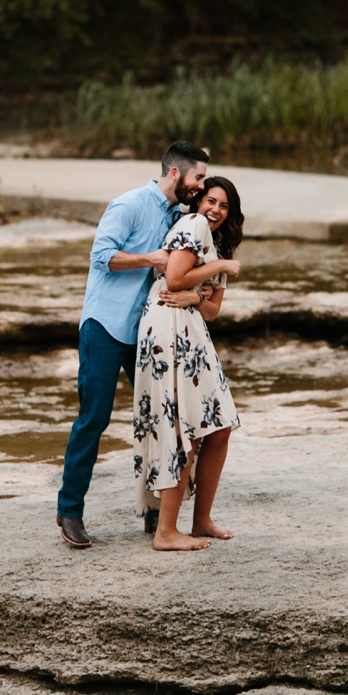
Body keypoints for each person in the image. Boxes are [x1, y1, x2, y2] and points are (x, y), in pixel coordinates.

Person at [56, 141, 210, 549]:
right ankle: (69, 511)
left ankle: (156, 512)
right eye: (198, 177)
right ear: (175, 174)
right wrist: (152, 259)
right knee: (94, 418)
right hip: (105, 327)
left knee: (163, 418)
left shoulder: (181, 217)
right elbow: (100, 255)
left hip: (147, 334)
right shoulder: (128, 204)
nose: (201, 185)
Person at [133, 175, 245, 551]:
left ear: (231, 214)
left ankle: (201, 520)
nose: (215, 209)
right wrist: (221, 269)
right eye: (210, 200)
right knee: (185, 428)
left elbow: (212, 310)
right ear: (199, 203)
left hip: (193, 327)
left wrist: (197, 298)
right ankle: (165, 532)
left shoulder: (217, 243)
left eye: (224, 205)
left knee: (220, 426)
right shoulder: (194, 225)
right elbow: (175, 276)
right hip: (167, 326)